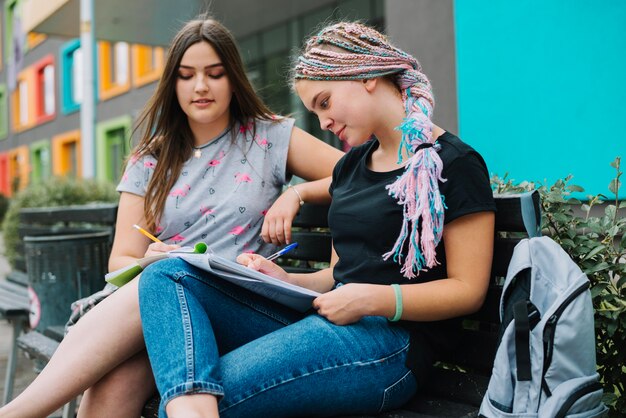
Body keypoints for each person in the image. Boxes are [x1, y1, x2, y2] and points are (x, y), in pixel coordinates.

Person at [137, 21, 497, 418]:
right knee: (165, 274)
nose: (323, 123)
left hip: (390, 347)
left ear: (366, 76)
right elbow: (337, 276)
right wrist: (285, 281)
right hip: (327, 323)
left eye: (324, 103)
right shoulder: (353, 166)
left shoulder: (452, 164)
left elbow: (468, 289)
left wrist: (375, 299)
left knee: (199, 398)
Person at [0, 17, 342, 418]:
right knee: (122, 370)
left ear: (233, 79)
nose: (201, 86)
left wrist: (298, 192)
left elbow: (356, 174)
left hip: (235, 306)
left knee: (157, 299)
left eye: (215, 74)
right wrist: (154, 260)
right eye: (186, 75)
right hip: (161, 309)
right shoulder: (151, 158)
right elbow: (121, 259)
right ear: (172, 84)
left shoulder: (268, 137)